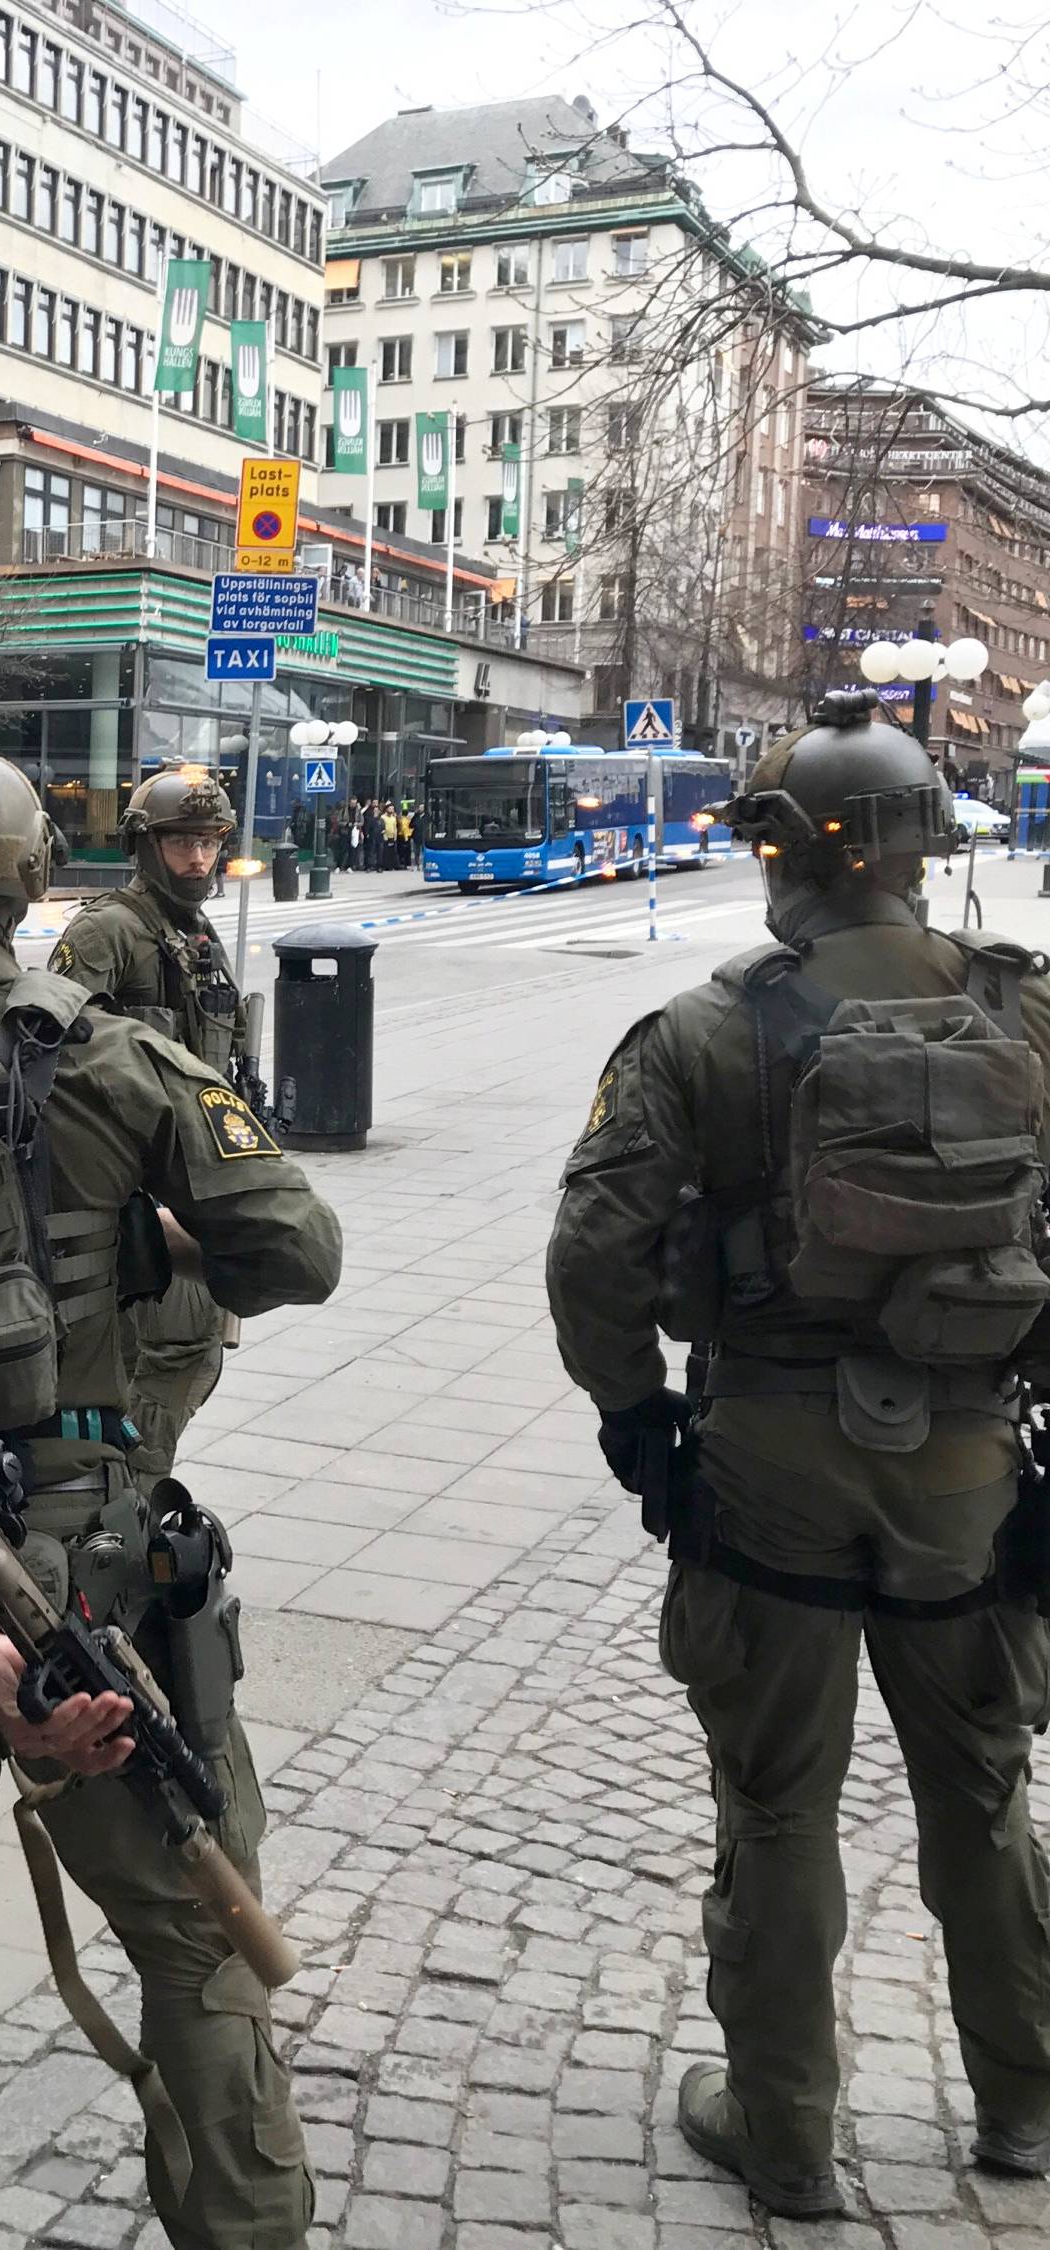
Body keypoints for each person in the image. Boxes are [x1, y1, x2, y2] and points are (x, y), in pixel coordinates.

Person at [0, 723, 343, 2250]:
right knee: (196, 1933)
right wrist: (142, 1242)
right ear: (36, 879)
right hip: (94, 1573)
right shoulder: (107, 1055)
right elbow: (300, 1246)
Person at [546, 692, 1050, 2218]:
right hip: (971, 1459)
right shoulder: (1027, 1013)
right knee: (982, 1789)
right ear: (921, 849)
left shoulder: (706, 1026)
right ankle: (1025, 2102)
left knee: (777, 1804)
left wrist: (638, 1418)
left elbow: (595, 1253)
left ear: (782, 855)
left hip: (767, 1451)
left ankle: (785, 2133)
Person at [47, 767, 247, 1477]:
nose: (198, 859)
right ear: (144, 845)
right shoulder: (107, 933)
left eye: (209, 842)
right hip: (132, 1209)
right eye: (181, 843)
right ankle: (127, 1512)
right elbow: (52, 1068)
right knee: (147, 1374)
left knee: (192, 1358)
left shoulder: (196, 935)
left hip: (195, 1194)